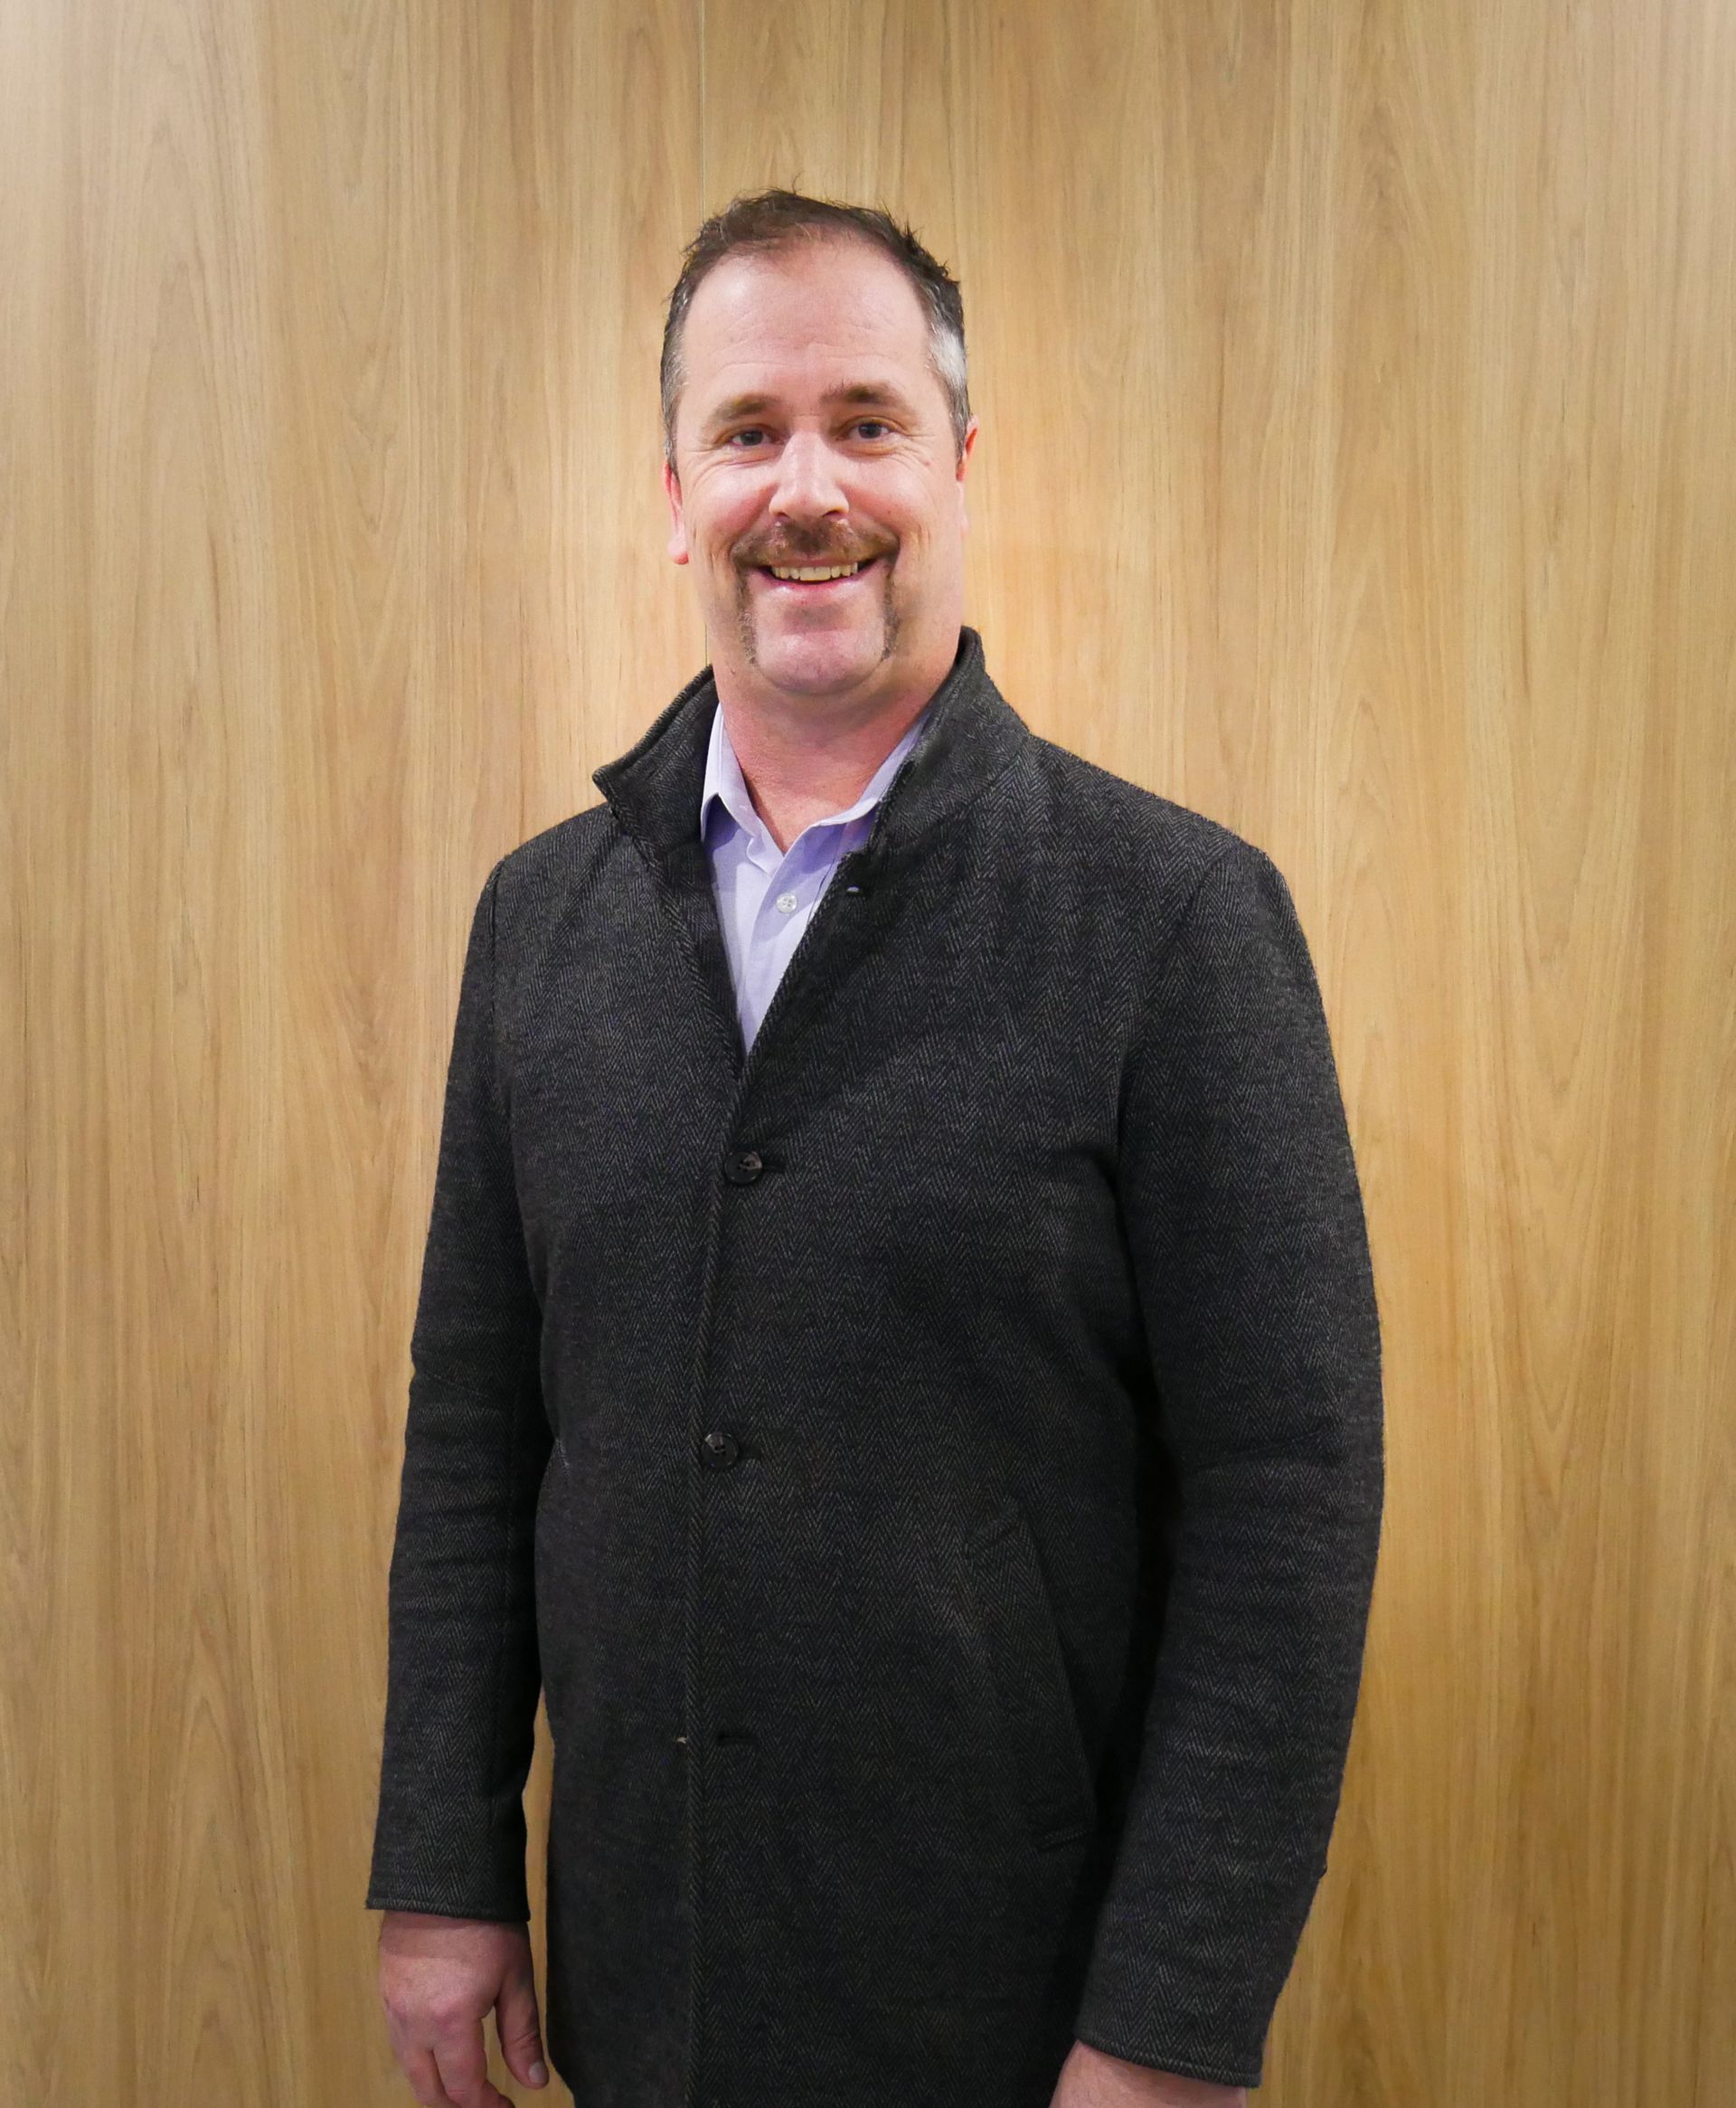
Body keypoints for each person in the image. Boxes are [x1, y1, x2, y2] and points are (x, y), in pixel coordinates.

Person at [367, 189, 1384, 2108]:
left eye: (867, 420)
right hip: (641, 1986)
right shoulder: (541, 924)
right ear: (675, 490)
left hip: (1012, 2007)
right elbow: (476, 1420)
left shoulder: (1173, 920)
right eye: (748, 431)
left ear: (960, 466)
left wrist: (1170, 2023)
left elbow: (1287, 1500)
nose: (804, 488)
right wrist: (442, 1865)